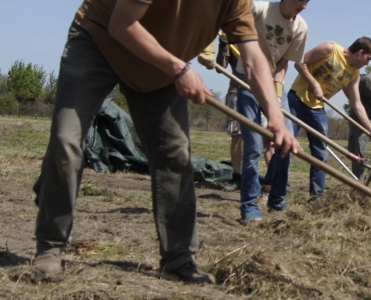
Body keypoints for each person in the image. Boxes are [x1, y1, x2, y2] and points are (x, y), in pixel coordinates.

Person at [31, 0, 299, 284]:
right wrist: (179, 69)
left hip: (158, 68)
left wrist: (274, 116)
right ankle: (50, 245)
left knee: (175, 156)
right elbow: (122, 24)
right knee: (66, 143)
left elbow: (252, 55)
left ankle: (178, 258)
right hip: (100, 43)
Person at [264, 37, 371, 208]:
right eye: (368, 59)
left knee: (320, 153)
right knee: (284, 147)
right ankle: (270, 191)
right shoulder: (330, 49)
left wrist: (370, 129)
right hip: (296, 101)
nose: (367, 64)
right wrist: (314, 84)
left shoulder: (354, 74)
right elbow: (299, 63)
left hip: (317, 109)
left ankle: (316, 197)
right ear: (360, 52)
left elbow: (357, 104)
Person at [232, 0, 309, 222]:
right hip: (246, 78)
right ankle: (249, 205)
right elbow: (231, 17)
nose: (303, 6)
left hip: (274, 82)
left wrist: (276, 90)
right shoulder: (261, 9)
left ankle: (276, 197)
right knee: (254, 145)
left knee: (287, 139)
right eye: (300, 0)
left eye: (308, 1)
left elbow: (285, 61)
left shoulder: (301, 27)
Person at [198, 35, 243, 192]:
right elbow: (219, 67)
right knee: (236, 136)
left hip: (259, 93)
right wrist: (224, 47)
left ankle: (259, 182)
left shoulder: (260, 34)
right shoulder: (231, 39)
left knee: (259, 138)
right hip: (236, 92)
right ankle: (237, 178)